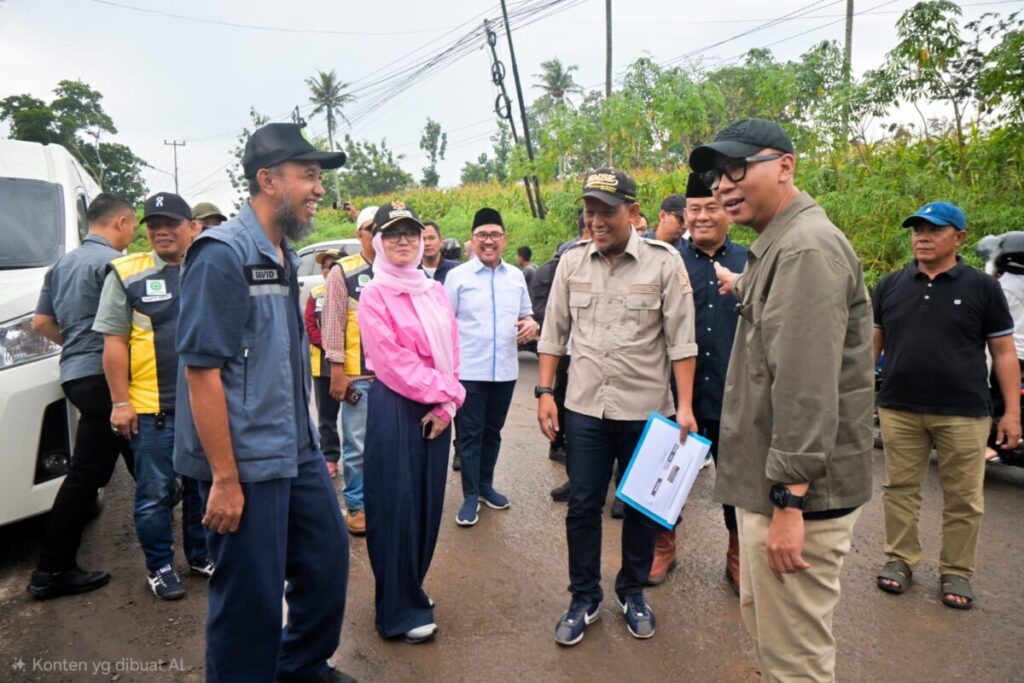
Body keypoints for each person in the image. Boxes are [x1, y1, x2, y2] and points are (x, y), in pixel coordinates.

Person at [693, 119, 873, 683]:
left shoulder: (804, 251)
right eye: (718, 174)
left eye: (739, 169)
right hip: (779, 490)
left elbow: (805, 386)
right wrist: (740, 285)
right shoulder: (780, 246)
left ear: (786, 167)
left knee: (795, 660)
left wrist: (790, 503)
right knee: (773, 638)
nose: (724, 185)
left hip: (799, 500)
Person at [174, 122, 353, 683]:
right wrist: (224, 479)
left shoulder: (283, 253)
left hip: (293, 447)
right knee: (249, 602)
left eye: (319, 176)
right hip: (243, 461)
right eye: (309, 175)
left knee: (326, 561)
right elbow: (201, 372)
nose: (319, 188)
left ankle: (299, 666)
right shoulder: (221, 254)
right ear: (268, 180)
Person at [537, 168, 698, 646]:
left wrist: (685, 407)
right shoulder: (572, 263)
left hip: (646, 410)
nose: (597, 220)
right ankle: (583, 597)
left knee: (642, 509)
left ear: (632, 211)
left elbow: (681, 342)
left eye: (607, 211)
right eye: (590, 211)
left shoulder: (664, 263)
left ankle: (632, 593)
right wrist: (545, 393)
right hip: (585, 408)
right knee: (583, 505)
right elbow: (554, 333)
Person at [872, 202, 1020, 611]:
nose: (922, 236)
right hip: (900, 407)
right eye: (917, 229)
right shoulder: (890, 285)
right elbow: (872, 345)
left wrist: (1011, 412)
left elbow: (1004, 353)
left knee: (964, 497)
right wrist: (853, 395)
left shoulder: (982, 288)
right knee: (899, 489)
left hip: (964, 412)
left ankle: (956, 570)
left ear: (959, 237)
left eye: (934, 229)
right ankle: (899, 559)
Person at [92, 191, 212, 600]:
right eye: (153, 224)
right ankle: (160, 566)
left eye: (171, 223)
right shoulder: (127, 274)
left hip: (203, 406)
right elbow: (114, 343)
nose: (162, 230)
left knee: (201, 488)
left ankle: (200, 556)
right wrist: (120, 402)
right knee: (154, 493)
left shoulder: (208, 269)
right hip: (152, 410)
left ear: (192, 227)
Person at [357, 201, 466, 644]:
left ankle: (411, 587)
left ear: (422, 240)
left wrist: (446, 407)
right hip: (398, 410)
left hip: (437, 411)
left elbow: (453, 348)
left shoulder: (433, 290)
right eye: (392, 234)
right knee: (396, 506)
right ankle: (396, 611)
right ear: (378, 242)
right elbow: (392, 363)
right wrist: (450, 393)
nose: (402, 241)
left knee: (425, 503)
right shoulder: (375, 294)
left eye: (410, 233)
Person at [27, 193, 138, 599]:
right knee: (87, 474)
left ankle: (167, 513)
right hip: (107, 377)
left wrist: (76, 343)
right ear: (122, 222)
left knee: (122, 453)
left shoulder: (60, 266)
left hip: (76, 375)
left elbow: (42, 322)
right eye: (134, 226)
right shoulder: (113, 264)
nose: (132, 235)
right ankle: (51, 571)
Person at [647, 173, 748, 589]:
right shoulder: (666, 260)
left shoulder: (750, 261)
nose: (703, 216)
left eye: (712, 207)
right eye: (695, 209)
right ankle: (662, 547)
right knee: (665, 477)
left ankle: (738, 552)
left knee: (739, 481)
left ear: (728, 211)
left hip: (734, 392)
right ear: (684, 215)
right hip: (675, 395)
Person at [444, 208, 538, 526]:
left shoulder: (515, 277)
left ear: (504, 239)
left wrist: (530, 324)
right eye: (482, 235)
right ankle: (470, 496)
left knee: (493, 432)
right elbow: (444, 325)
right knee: (470, 435)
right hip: (469, 370)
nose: (488, 241)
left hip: (506, 370)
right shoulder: (457, 277)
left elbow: (527, 315)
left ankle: (486, 486)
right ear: (473, 240)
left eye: (494, 235)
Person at [322, 205, 378, 536]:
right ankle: (356, 505)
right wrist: (337, 372)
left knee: (389, 443)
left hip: (394, 378)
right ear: (359, 234)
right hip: (360, 377)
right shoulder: (345, 272)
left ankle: (382, 500)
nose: (379, 233)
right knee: (357, 445)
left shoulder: (400, 268)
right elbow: (333, 323)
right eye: (371, 227)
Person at [306, 248, 343, 478]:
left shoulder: (350, 289)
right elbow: (310, 326)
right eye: (325, 267)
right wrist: (331, 345)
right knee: (326, 417)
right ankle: (330, 456)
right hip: (322, 365)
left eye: (333, 266)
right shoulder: (315, 293)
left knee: (356, 418)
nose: (328, 271)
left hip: (350, 365)